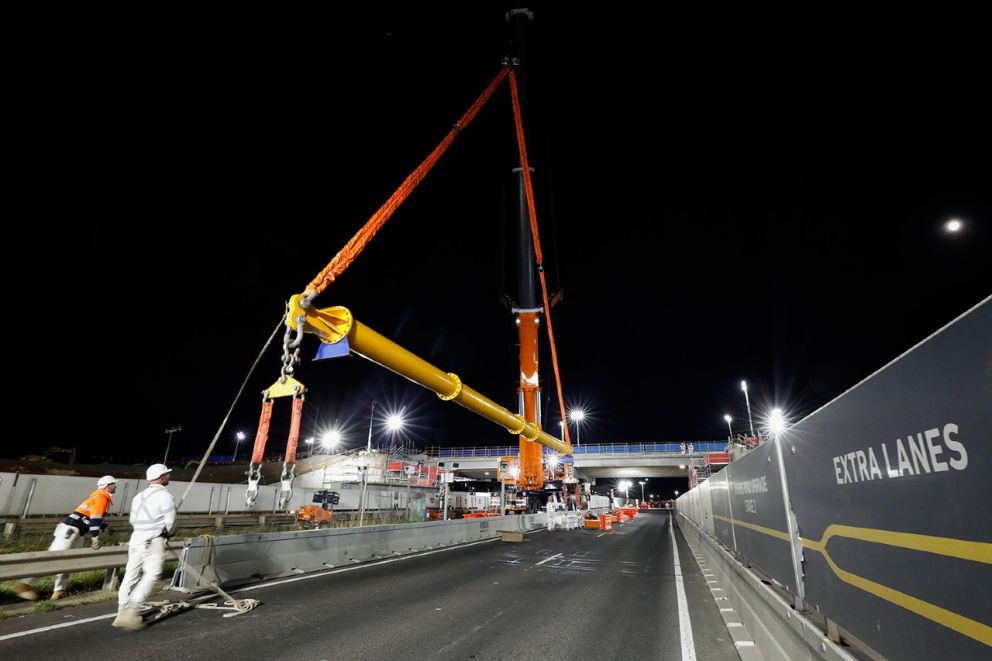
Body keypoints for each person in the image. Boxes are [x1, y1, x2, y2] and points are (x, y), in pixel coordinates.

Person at [13, 475, 117, 602]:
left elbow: (88, 517)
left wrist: (104, 527)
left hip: (75, 531)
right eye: (114, 484)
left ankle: (59, 591)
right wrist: (95, 537)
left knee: (68, 562)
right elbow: (94, 518)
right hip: (71, 531)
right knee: (51, 559)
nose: (115, 486)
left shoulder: (98, 496)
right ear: (108, 486)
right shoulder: (101, 497)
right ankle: (24, 585)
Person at [113, 464, 176, 631]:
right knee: (152, 573)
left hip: (135, 539)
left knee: (131, 574)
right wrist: (167, 533)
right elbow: (170, 522)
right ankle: (132, 611)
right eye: (167, 475)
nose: (169, 477)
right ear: (162, 477)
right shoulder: (165, 496)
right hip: (152, 540)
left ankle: (121, 611)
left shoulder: (138, 496)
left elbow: (133, 520)